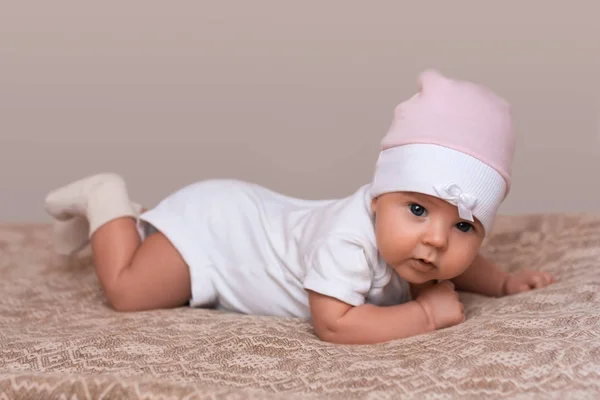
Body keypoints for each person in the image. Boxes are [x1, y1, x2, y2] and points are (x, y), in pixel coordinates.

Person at [43, 69, 555, 345]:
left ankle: (135, 222)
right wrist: (423, 316)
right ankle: (106, 199)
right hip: (216, 234)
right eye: (418, 211)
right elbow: (334, 325)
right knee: (129, 291)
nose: (437, 240)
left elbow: (457, 268)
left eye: (464, 224)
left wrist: (504, 283)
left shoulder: (412, 245)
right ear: (380, 198)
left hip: (242, 212)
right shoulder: (348, 242)